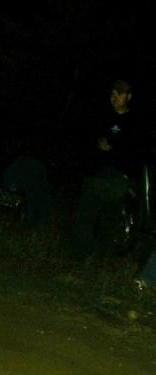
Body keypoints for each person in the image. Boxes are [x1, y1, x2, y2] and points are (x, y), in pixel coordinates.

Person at [73, 79, 141, 257]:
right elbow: (85, 138)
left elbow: (136, 151)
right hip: (95, 175)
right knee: (85, 217)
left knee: (109, 221)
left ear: (128, 96)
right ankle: (79, 256)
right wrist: (97, 144)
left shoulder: (135, 123)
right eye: (112, 94)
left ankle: (101, 260)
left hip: (116, 180)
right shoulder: (100, 116)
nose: (115, 97)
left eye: (119, 94)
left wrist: (117, 153)